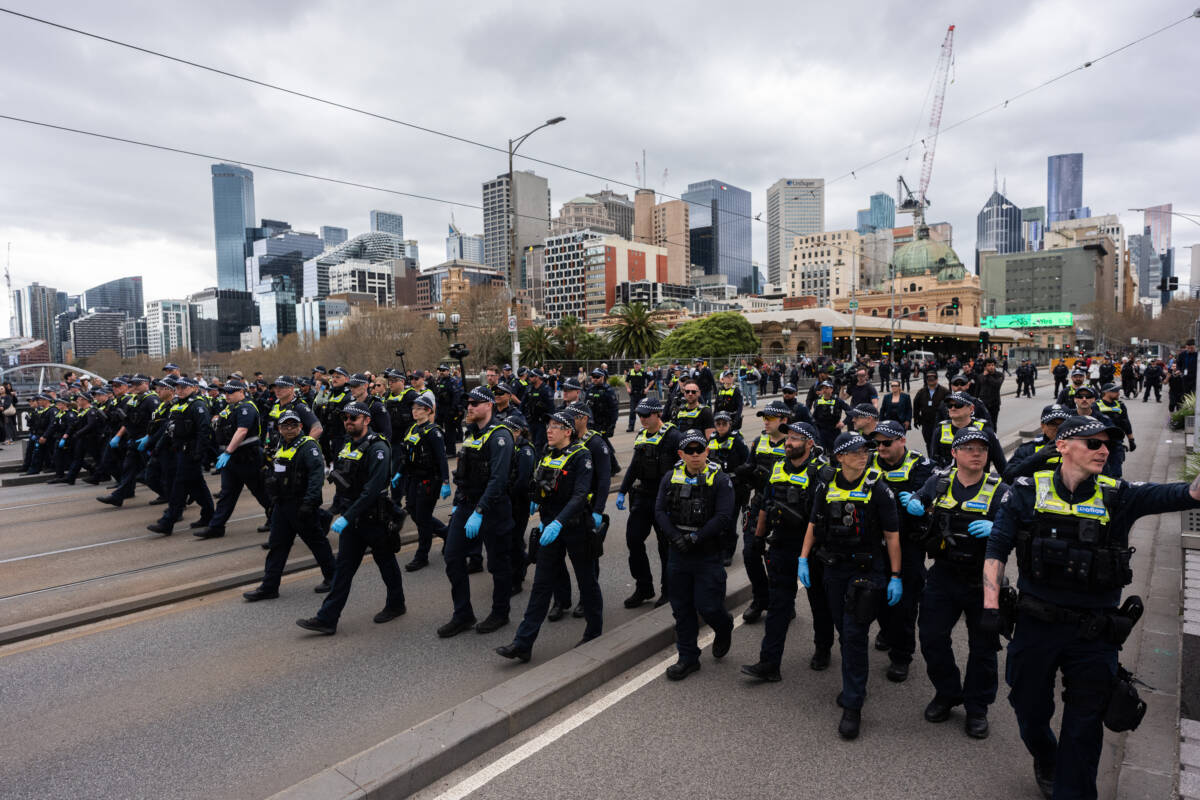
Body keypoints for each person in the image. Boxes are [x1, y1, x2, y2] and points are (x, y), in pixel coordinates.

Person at [985, 415, 1200, 798]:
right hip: (1036, 625)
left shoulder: (1119, 495)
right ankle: (1046, 756)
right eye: (1093, 443)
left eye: (1108, 445)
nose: (1104, 450)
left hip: (1094, 633)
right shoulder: (1025, 491)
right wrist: (989, 608)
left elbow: (1187, 494)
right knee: (1028, 708)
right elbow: (997, 548)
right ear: (1063, 446)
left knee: (1084, 726)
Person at [905, 427, 1008, 739]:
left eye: (982, 448)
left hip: (983, 580)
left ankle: (977, 707)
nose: (976, 453)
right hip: (944, 574)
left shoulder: (1001, 490)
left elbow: (1022, 532)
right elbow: (919, 502)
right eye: (969, 448)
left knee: (983, 648)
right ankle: (948, 692)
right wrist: (915, 502)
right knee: (931, 637)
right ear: (954, 453)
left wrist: (998, 529)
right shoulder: (940, 481)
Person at [798, 432, 903, 740]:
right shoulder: (825, 485)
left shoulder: (878, 489)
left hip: (867, 571)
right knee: (843, 631)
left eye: (865, 450)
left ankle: (853, 704)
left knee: (855, 634)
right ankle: (855, 681)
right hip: (833, 570)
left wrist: (895, 576)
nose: (864, 455)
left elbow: (892, 535)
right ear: (840, 457)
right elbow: (814, 525)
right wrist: (803, 559)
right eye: (855, 451)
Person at [497, 412, 603, 662]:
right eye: (548, 425)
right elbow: (542, 483)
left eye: (556, 426)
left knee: (586, 580)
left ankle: (594, 631)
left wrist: (559, 521)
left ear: (568, 431)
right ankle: (523, 643)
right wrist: (537, 501)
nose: (549, 430)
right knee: (542, 585)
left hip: (575, 527)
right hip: (549, 528)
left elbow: (580, 495)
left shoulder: (582, 455)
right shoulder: (547, 452)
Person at [296, 402, 404, 634]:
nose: (348, 422)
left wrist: (347, 515)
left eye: (353, 418)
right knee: (343, 569)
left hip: (374, 517)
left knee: (386, 563)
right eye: (345, 418)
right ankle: (327, 618)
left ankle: (396, 604)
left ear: (366, 420)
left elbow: (373, 489)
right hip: (352, 518)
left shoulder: (378, 448)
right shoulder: (347, 444)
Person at [741, 421, 831, 681]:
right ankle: (769, 664)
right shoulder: (778, 466)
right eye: (788, 437)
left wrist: (807, 554)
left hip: (811, 551)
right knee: (778, 605)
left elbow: (819, 519)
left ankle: (823, 648)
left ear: (810, 443)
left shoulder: (822, 473)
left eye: (796, 438)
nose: (789, 442)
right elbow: (763, 504)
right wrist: (758, 538)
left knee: (819, 604)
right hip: (780, 544)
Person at [655, 429, 736, 680]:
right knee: (681, 609)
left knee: (709, 606)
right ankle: (688, 657)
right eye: (689, 451)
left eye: (699, 450)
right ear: (681, 453)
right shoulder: (670, 477)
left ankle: (724, 627)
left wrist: (695, 538)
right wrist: (676, 537)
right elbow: (658, 511)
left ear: (707, 451)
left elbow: (723, 516)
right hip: (678, 554)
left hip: (706, 554)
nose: (694, 455)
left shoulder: (720, 479)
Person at [438, 386, 515, 638]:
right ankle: (463, 614)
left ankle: (500, 613)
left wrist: (480, 510)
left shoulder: (500, 435)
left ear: (489, 405)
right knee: (452, 557)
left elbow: (499, 478)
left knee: (497, 563)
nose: (469, 407)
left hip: (492, 508)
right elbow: (464, 474)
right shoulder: (471, 434)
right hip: (468, 505)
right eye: (468, 403)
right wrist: (460, 504)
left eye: (475, 403)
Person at [243, 410, 336, 600]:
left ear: (301, 427)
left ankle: (333, 578)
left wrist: (309, 503)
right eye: (285, 426)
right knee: (277, 545)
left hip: (301, 505)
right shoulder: (281, 444)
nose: (290, 429)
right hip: (282, 505)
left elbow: (316, 477)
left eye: (294, 425)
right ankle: (269, 587)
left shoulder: (308, 446)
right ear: (279, 428)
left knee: (317, 543)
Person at [871, 419, 935, 683]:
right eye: (877, 443)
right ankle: (887, 631)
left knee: (905, 603)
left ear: (902, 441)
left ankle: (902, 655)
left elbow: (940, 500)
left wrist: (924, 505)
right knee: (877, 598)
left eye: (887, 442)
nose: (881, 448)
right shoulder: (869, 463)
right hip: (876, 543)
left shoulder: (922, 467)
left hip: (909, 544)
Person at [617, 398, 683, 608]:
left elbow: (683, 467)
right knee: (633, 540)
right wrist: (622, 490)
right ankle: (644, 586)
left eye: (646, 415)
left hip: (665, 499)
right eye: (639, 415)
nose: (642, 419)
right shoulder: (642, 435)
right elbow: (635, 466)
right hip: (643, 496)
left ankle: (669, 589)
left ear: (657, 414)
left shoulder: (673, 436)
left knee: (666, 546)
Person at [738, 401, 792, 623]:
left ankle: (785, 602)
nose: (766, 422)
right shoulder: (759, 441)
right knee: (750, 554)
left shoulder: (793, 443)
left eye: (770, 418)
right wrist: (745, 474)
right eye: (764, 418)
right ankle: (760, 599)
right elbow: (749, 469)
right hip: (760, 503)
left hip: (784, 507)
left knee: (782, 560)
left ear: (784, 420)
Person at [146, 378, 215, 534]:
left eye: (184, 387)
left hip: (191, 453)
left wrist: (199, 453)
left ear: (194, 388)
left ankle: (168, 521)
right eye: (178, 387)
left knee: (179, 487)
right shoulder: (178, 405)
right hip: (180, 452)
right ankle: (209, 514)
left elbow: (204, 431)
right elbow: (169, 428)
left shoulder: (197, 405)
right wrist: (158, 447)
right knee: (197, 486)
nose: (180, 390)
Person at [391, 393, 451, 571]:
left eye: (419, 408)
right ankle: (447, 533)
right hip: (412, 478)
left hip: (429, 480)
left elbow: (442, 459)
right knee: (412, 511)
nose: (414, 411)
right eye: (413, 408)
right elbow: (405, 455)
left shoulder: (434, 432)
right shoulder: (411, 429)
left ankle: (422, 556)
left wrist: (446, 482)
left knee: (423, 518)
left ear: (428, 411)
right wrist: (399, 474)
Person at [707, 411, 750, 566]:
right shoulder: (712, 438)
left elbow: (748, 461)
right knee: (715, 518)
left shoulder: (737, 439)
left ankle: (728, 551)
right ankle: (718, 547)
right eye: (718, 423)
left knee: (729, 521)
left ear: (730, 424)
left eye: (724, 423)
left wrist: (739, 475)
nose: (720, 426)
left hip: (734, 486)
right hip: (716, 485)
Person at [929, 392, 1007, 474]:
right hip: (948, 483)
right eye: (949, 405)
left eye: (958, 405)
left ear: (971, 408)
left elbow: (1001, 465)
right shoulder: (940, 430)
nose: (953, 408)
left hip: (978, 483)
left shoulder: (985, 431)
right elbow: (933, 463)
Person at [1003, 404, 1070, 483]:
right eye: (1053, 424)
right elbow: (1008, 477)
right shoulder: (1027, 449)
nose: (1058, 428)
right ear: (1042, 426)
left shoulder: (1080, 447)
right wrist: (1037, 458)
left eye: (1063, 424)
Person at [317, 367, 352, 461]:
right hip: (329, 431)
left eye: (338, 377)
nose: (334, 379)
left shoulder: (349, 394)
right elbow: (319, 403)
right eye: (333, 377)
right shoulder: (331, 392)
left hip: (342, 434)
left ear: (347, 379)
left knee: (339, 461)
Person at [913, 371, 950, 453]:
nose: (931, 380)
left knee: (940, 443)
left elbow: (950, 406)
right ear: (926, 380)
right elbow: (916, 406)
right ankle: (931, 460)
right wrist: (916, 419)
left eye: (933, 378)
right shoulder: (921, 392)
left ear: (937, 379)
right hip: (926, 423)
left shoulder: (945, 391)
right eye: (929, 378)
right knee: (929, 443)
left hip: (941, 424)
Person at [811, 380, 850, 453]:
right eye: (823, 388)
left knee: (835, 453)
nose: (824, 390)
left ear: (831, 389)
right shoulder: (817, 401)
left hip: (834, 431)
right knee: (820, 453)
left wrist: (844, 423)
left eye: (827, 388)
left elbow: (850, 412)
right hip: (821, 432)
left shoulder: (837, 400)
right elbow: (814, 417)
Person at [586, 369, 618, 438]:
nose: (595, 379)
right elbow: (585, 406)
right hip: (591, 424)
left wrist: (612, 426)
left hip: (604, 425)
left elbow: (614, 409)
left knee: (603, 444)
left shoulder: (608, 391)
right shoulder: (590, 389)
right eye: (593, 377)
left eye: (597, 377)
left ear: (602, 377)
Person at [975, 359, 1005, 431]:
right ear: (985, 367)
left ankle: (993, 438)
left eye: (993, 365)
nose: (991, 367)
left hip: (994, 404)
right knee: (982, 423)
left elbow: (997, 385)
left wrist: (988, 376)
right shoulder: (980, 376)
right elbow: (977, 391)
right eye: (989, 365)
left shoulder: (1000, 375)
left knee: (993, 423)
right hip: (983, 404)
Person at [625, 360, 649, 432]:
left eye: (638, 364)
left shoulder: (643, 373)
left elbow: (652, 380)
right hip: (633, 394)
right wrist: (628, 388)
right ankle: (631, 427)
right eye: (635, 364)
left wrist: (647, 388)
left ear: (640, 365)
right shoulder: (630, 373)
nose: (636, 366)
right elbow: (626, 381)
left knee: (643, 411)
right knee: (632, 411)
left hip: (642, 394)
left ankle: (646, 426)